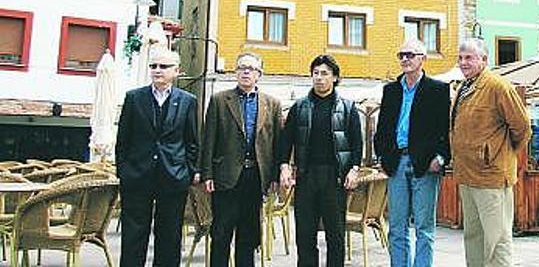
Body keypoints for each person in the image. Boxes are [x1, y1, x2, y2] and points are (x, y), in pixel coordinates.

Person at [450, 38, 531, 267]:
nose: (463, 62)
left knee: (498, 239)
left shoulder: (498, 86)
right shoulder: (462, 88)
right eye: (461, 57)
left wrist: (499, 153)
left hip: (492, 177)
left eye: (469, 58)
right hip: (467, 175)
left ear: (484, 60)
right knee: (473, 236)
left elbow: (522, 127)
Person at [116, 48, 199, 267]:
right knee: (133, 235)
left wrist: (187, 172)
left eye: (163, 66)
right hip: (137, 175)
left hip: (173, 177)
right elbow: (123, 140)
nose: (157, 70)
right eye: (153, 66)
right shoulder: (134, 98)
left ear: (176, 71)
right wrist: (124, 171)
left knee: (170, 236)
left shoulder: (188, 101)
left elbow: (192, 142)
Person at [279, 54, 363, 267]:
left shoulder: (348, 107)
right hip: (307, 177)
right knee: (305, 235)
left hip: (335, 178)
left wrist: (354, 169)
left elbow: (357, 144)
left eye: (324, 73)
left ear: (335, 77)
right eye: (315, 73)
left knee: (335, 236)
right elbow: (285, 141)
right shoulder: (299, 107)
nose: (319, 78)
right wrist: (284, 167)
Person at [201, 53, 283, 267]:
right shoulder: (220, 100)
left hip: (255, 178)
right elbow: (209, 138)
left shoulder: (272, 104)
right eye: (241, 68)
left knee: (248, 237)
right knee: (220, 235)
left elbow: (277, 145)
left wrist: (274, 176)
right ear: (235, 72)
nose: (246, 72)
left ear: (259, 74)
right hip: (225, 177)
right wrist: (207, 173)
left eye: (251, 69)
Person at [374, 39, 450, 267]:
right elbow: (382, 129)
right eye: (401, 55)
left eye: (410, 54)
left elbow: (445, 129)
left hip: (425, 165)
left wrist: (441, 158)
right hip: (396, 163)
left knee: (424, 228)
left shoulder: (437, 89)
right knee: (397, 227)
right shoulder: (391, 90)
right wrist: (382, 157)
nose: (405, 59)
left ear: (423, 58)